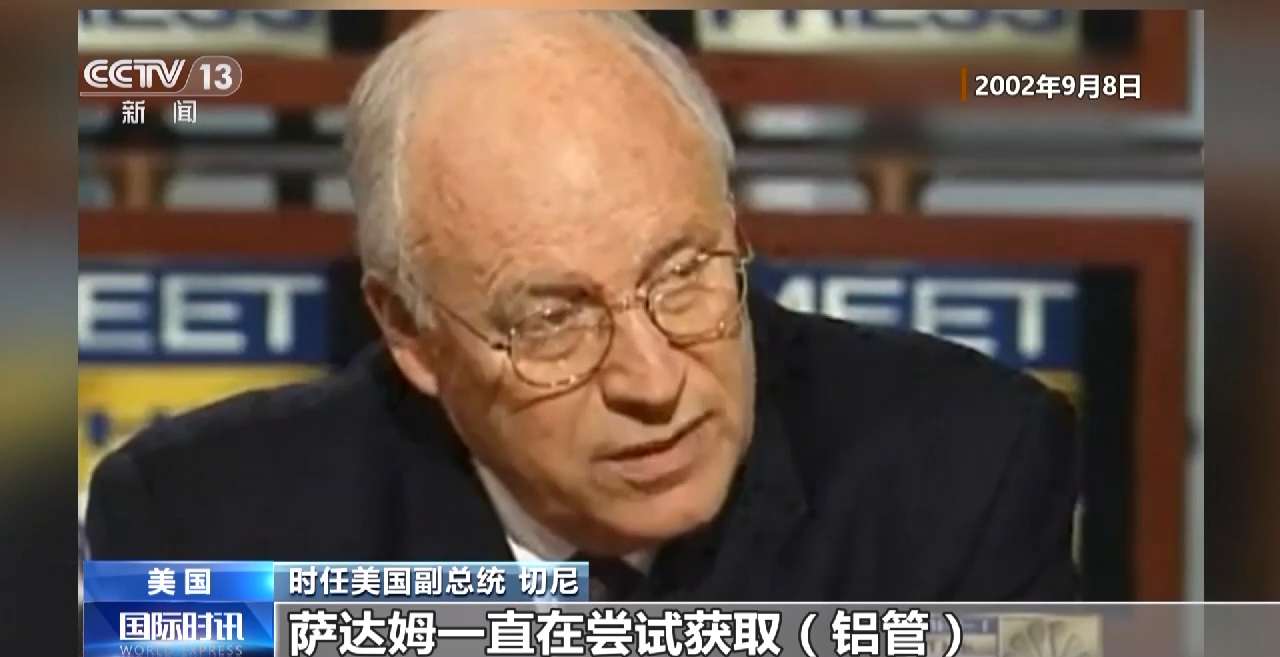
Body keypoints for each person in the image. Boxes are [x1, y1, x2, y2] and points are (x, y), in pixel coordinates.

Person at [86, 10, 1080, 601]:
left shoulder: (959, 473)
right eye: (552, 319)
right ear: (410, 331)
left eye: (683, 274)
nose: (653, 382)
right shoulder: (207, 529)